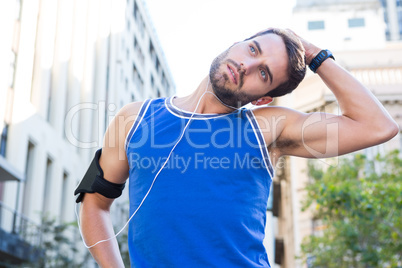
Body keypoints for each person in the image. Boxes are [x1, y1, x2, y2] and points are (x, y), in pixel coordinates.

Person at [75, 28, 399, 267]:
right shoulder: (133, 118)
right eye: (253, 50)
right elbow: (93, 202)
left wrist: (314, 54)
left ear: (263, 98)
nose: (247, 64)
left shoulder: (269, 127)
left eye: (263, 72)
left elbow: (377, 126)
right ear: (236, 44)